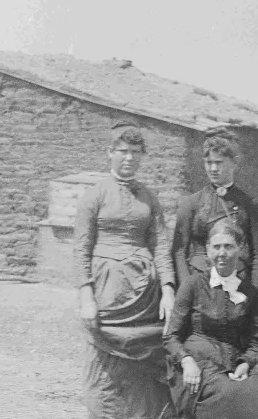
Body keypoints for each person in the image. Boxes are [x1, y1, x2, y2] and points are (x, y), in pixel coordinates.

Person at [75, 123, 176, 419]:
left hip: (145, 296)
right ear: (110, 153)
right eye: (123, 151)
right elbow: (81, 248)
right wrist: (86, 297)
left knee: (142, 372)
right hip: (108, 292)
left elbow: (160, 246)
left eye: (136, 152)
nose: (129, 158)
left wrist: (168, 291)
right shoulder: (94, 195)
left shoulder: (149, 197)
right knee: (107, 366)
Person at [164, 220, 258, 419]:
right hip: (199, 365)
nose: (222, 253)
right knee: (227, 394)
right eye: (216, 247)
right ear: (208, 250)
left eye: (228, 246)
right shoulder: (192, 285)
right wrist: (186, 361)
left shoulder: (249, 292)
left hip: (238, 363)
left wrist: (246, 363)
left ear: (240, 248)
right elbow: (171, 337)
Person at [171, 129, 258, 293]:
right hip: (199, 283)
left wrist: (255, 297)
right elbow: (179, 252)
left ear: (234, 162)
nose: (213, 168)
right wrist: (187, 290)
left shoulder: (250, 206)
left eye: (219, 162)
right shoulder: (192, 204)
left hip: (237, 283)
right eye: (209, 162)